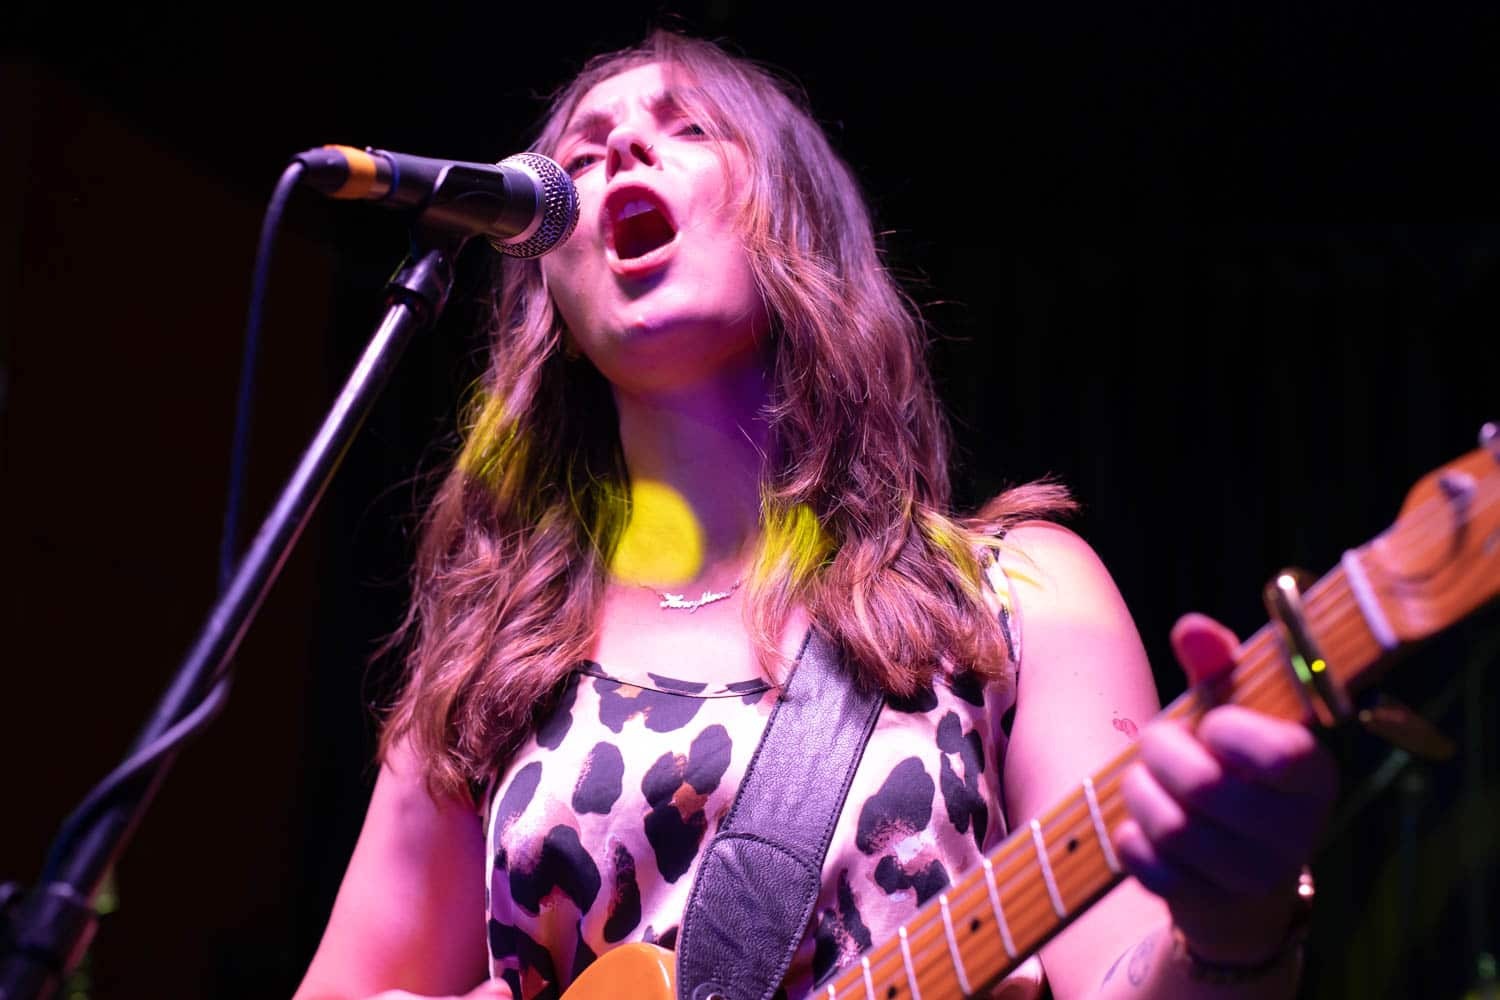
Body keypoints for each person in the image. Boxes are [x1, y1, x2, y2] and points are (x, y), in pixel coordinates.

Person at [291, 29, 1338, 1000]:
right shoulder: (496, 659)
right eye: (582, 152)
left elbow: (1126, 971)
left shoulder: (1015, 594)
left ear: (793, 224)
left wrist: (1234, 925)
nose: (620, 156)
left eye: (688, 128)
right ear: (549, 298)